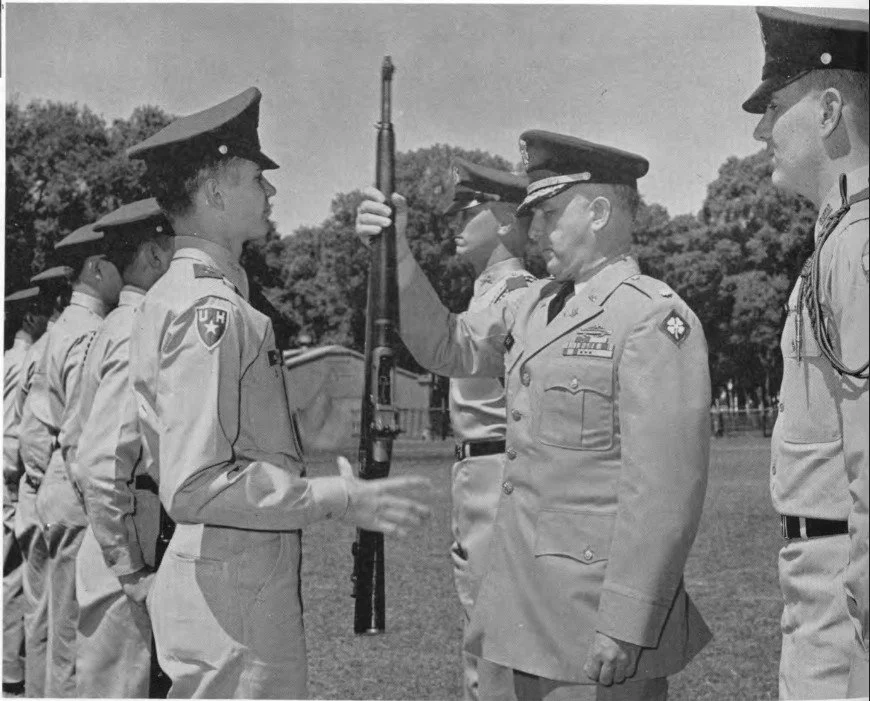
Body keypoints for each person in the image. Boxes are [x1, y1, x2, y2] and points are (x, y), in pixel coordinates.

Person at [357, 130, 712, 700]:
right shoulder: (533, 307)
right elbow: (447, 345)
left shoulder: (651, 318)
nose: (536, 231)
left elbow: (665, 494)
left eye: (547, 213)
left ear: (597, 212)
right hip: (520, 610)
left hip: (595, 625)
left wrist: (626, 623)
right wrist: (397, 252)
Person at [126, 86, 432, 698]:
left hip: (229, 578)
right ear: (213, 191)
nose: (270, 192)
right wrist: (335, 495)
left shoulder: (193, 296)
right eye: (254, 179)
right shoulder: (208, 310)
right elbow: (195, 484)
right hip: (230, 592)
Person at [743, 7, 869, 698]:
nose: (762, 129)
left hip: (843, 595)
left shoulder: (856, 246)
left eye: (776, 106)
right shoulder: (839, 242)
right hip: (819, 579)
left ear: (827, 111)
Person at [61, 199, 174, 698]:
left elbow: (71, 441)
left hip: (116, 529)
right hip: (131, 534)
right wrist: (132, 569)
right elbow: (102, 465)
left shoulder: (115, 323)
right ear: (153, 255)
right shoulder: (136, 327)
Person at [441, 158, 534, 701]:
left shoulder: (518, 295)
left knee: (499, 638)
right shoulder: (487, 293)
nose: (456, 223)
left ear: (503, 221)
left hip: (500, 469)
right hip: (477, 471)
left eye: (468, 211)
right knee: (482, 632)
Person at [18, 225, 123, 697]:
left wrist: (41, 482)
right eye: (118, 263)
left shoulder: (59, 331)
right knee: (75, 635)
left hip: (47, 486)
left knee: (46, 618)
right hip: (75, 487)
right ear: (98, 270)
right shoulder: (90, 333)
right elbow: (84, 429)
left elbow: (34, 429)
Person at [9, 266, 70, 698]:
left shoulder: (31, 352)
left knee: (37, 599)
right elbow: (23, 432)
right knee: (40, 597)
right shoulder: (43, 352)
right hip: (31, 481)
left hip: (28, 481)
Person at [2, 287, 49, 696]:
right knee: (15, 575)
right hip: (10, 478)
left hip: (8, 475)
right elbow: (12, 431)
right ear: (31, 317)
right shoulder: (23, 361)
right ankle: (11, 671)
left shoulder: (9, 359)